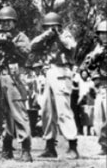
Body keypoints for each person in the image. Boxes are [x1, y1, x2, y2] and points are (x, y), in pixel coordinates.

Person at [0, 6, 33, 161]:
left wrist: (11, 46)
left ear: (14, 22)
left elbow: (26, 54)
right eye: (2, 22)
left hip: (15, 76)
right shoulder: (0, 37)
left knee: (19, 113)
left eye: (8, 21)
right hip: (2, 77)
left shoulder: (21, 37)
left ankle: (25, 149)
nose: (5, 24)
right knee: (3, 114)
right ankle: (7, 148)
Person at [29, 12, 80, 159]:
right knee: (46, 110)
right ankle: (50, 146)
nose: (51, 29)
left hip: (62, 71)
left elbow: (72, 47)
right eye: (48, 27)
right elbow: (32, 45)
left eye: (54, 26)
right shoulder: (45, 38)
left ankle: (72, 146)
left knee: (64, 110)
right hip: (48, 73)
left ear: (59, 26)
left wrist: (58, 34)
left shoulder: (66, 35)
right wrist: (46, 35)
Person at [80, 19, 107, 155]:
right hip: (100, 87)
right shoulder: (95, 50)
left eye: (106, 34)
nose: (104, 36)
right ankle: (104, 145)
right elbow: (85, 68)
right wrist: (86, 70)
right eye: (102, 34)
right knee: (99, 118)